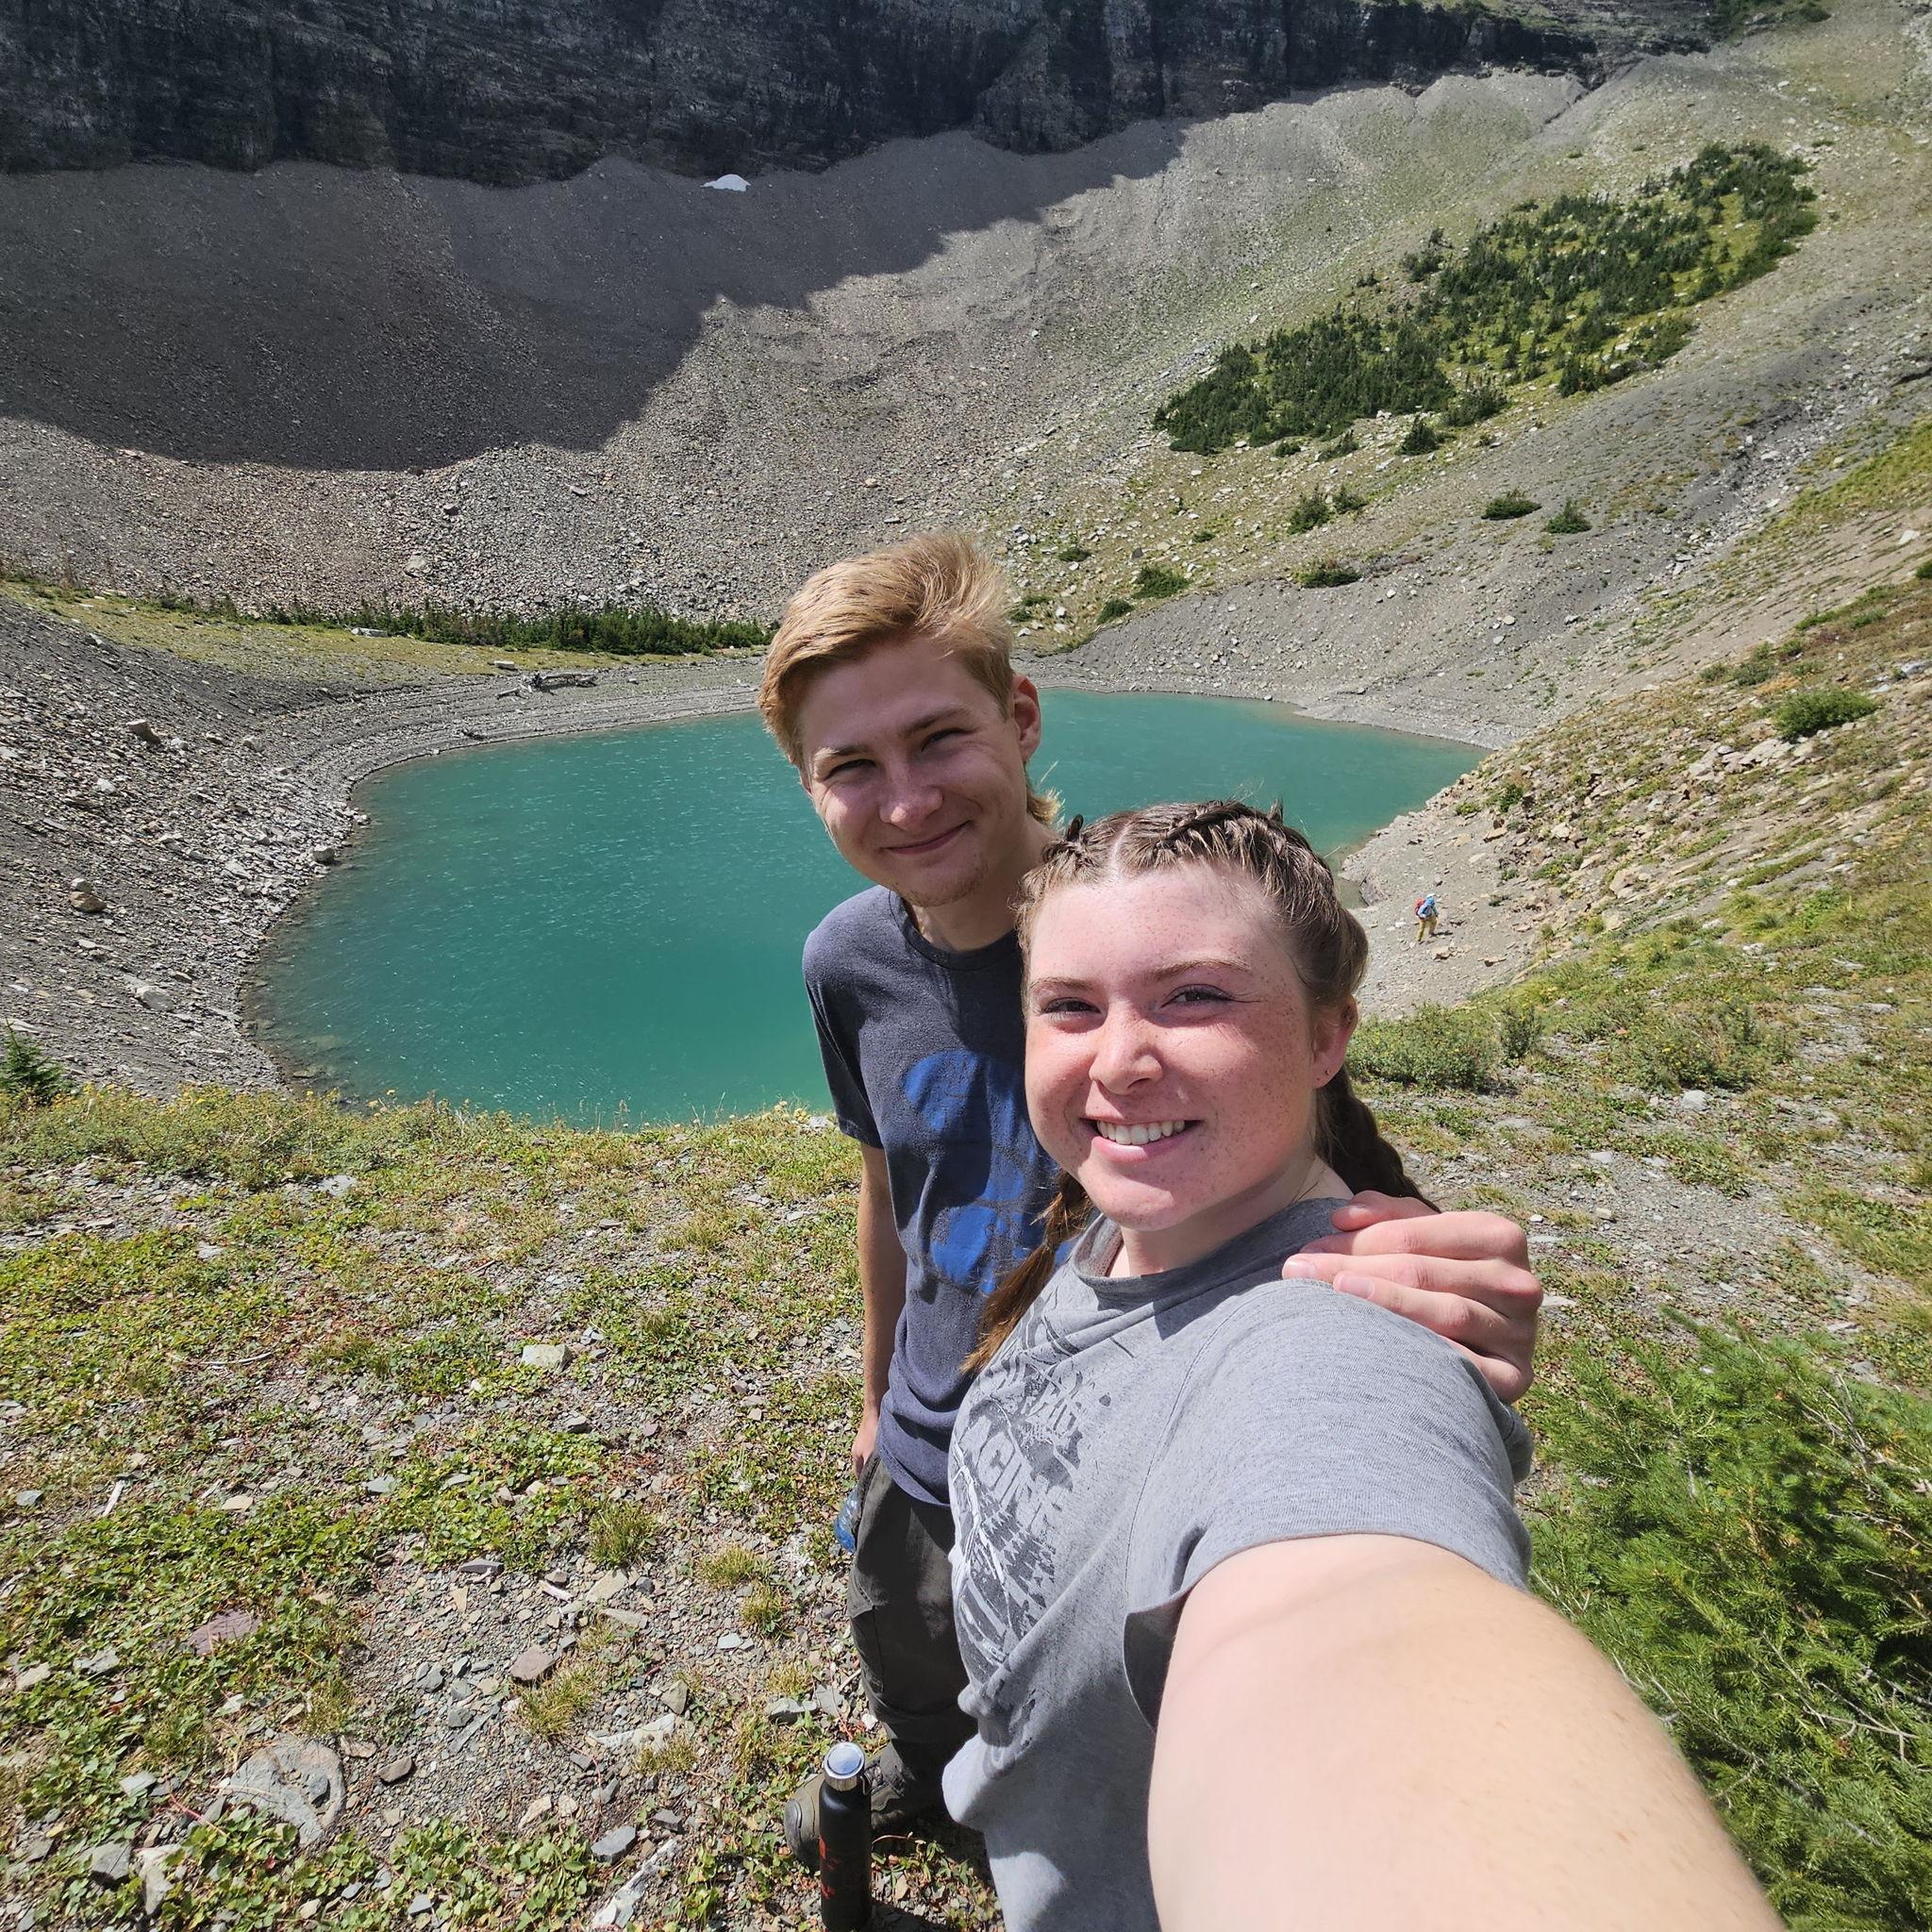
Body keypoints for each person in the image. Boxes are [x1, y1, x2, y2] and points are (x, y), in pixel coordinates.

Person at [756, 533, 1545, 1851]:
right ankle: (935, 1775)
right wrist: (876, 1382)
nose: (904, 803)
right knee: (905, 1630)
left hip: (1108, 1452)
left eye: (937, 739)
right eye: (851, 768)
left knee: (1093, 1710)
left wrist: (1421, 1309)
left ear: (1018, 717)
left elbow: (1327, 1177)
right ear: (811, 788)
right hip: (921, 1428)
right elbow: (888, 1174)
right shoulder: (846, 962)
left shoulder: (1151, 936)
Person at [944, 800, 1777, 1932]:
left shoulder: (1338, 1337)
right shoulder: (1120, 1216)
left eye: (1193, 994)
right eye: (1070, 1006)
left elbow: (1356, 1625)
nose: (1120, 1059)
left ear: (1327, 1033)